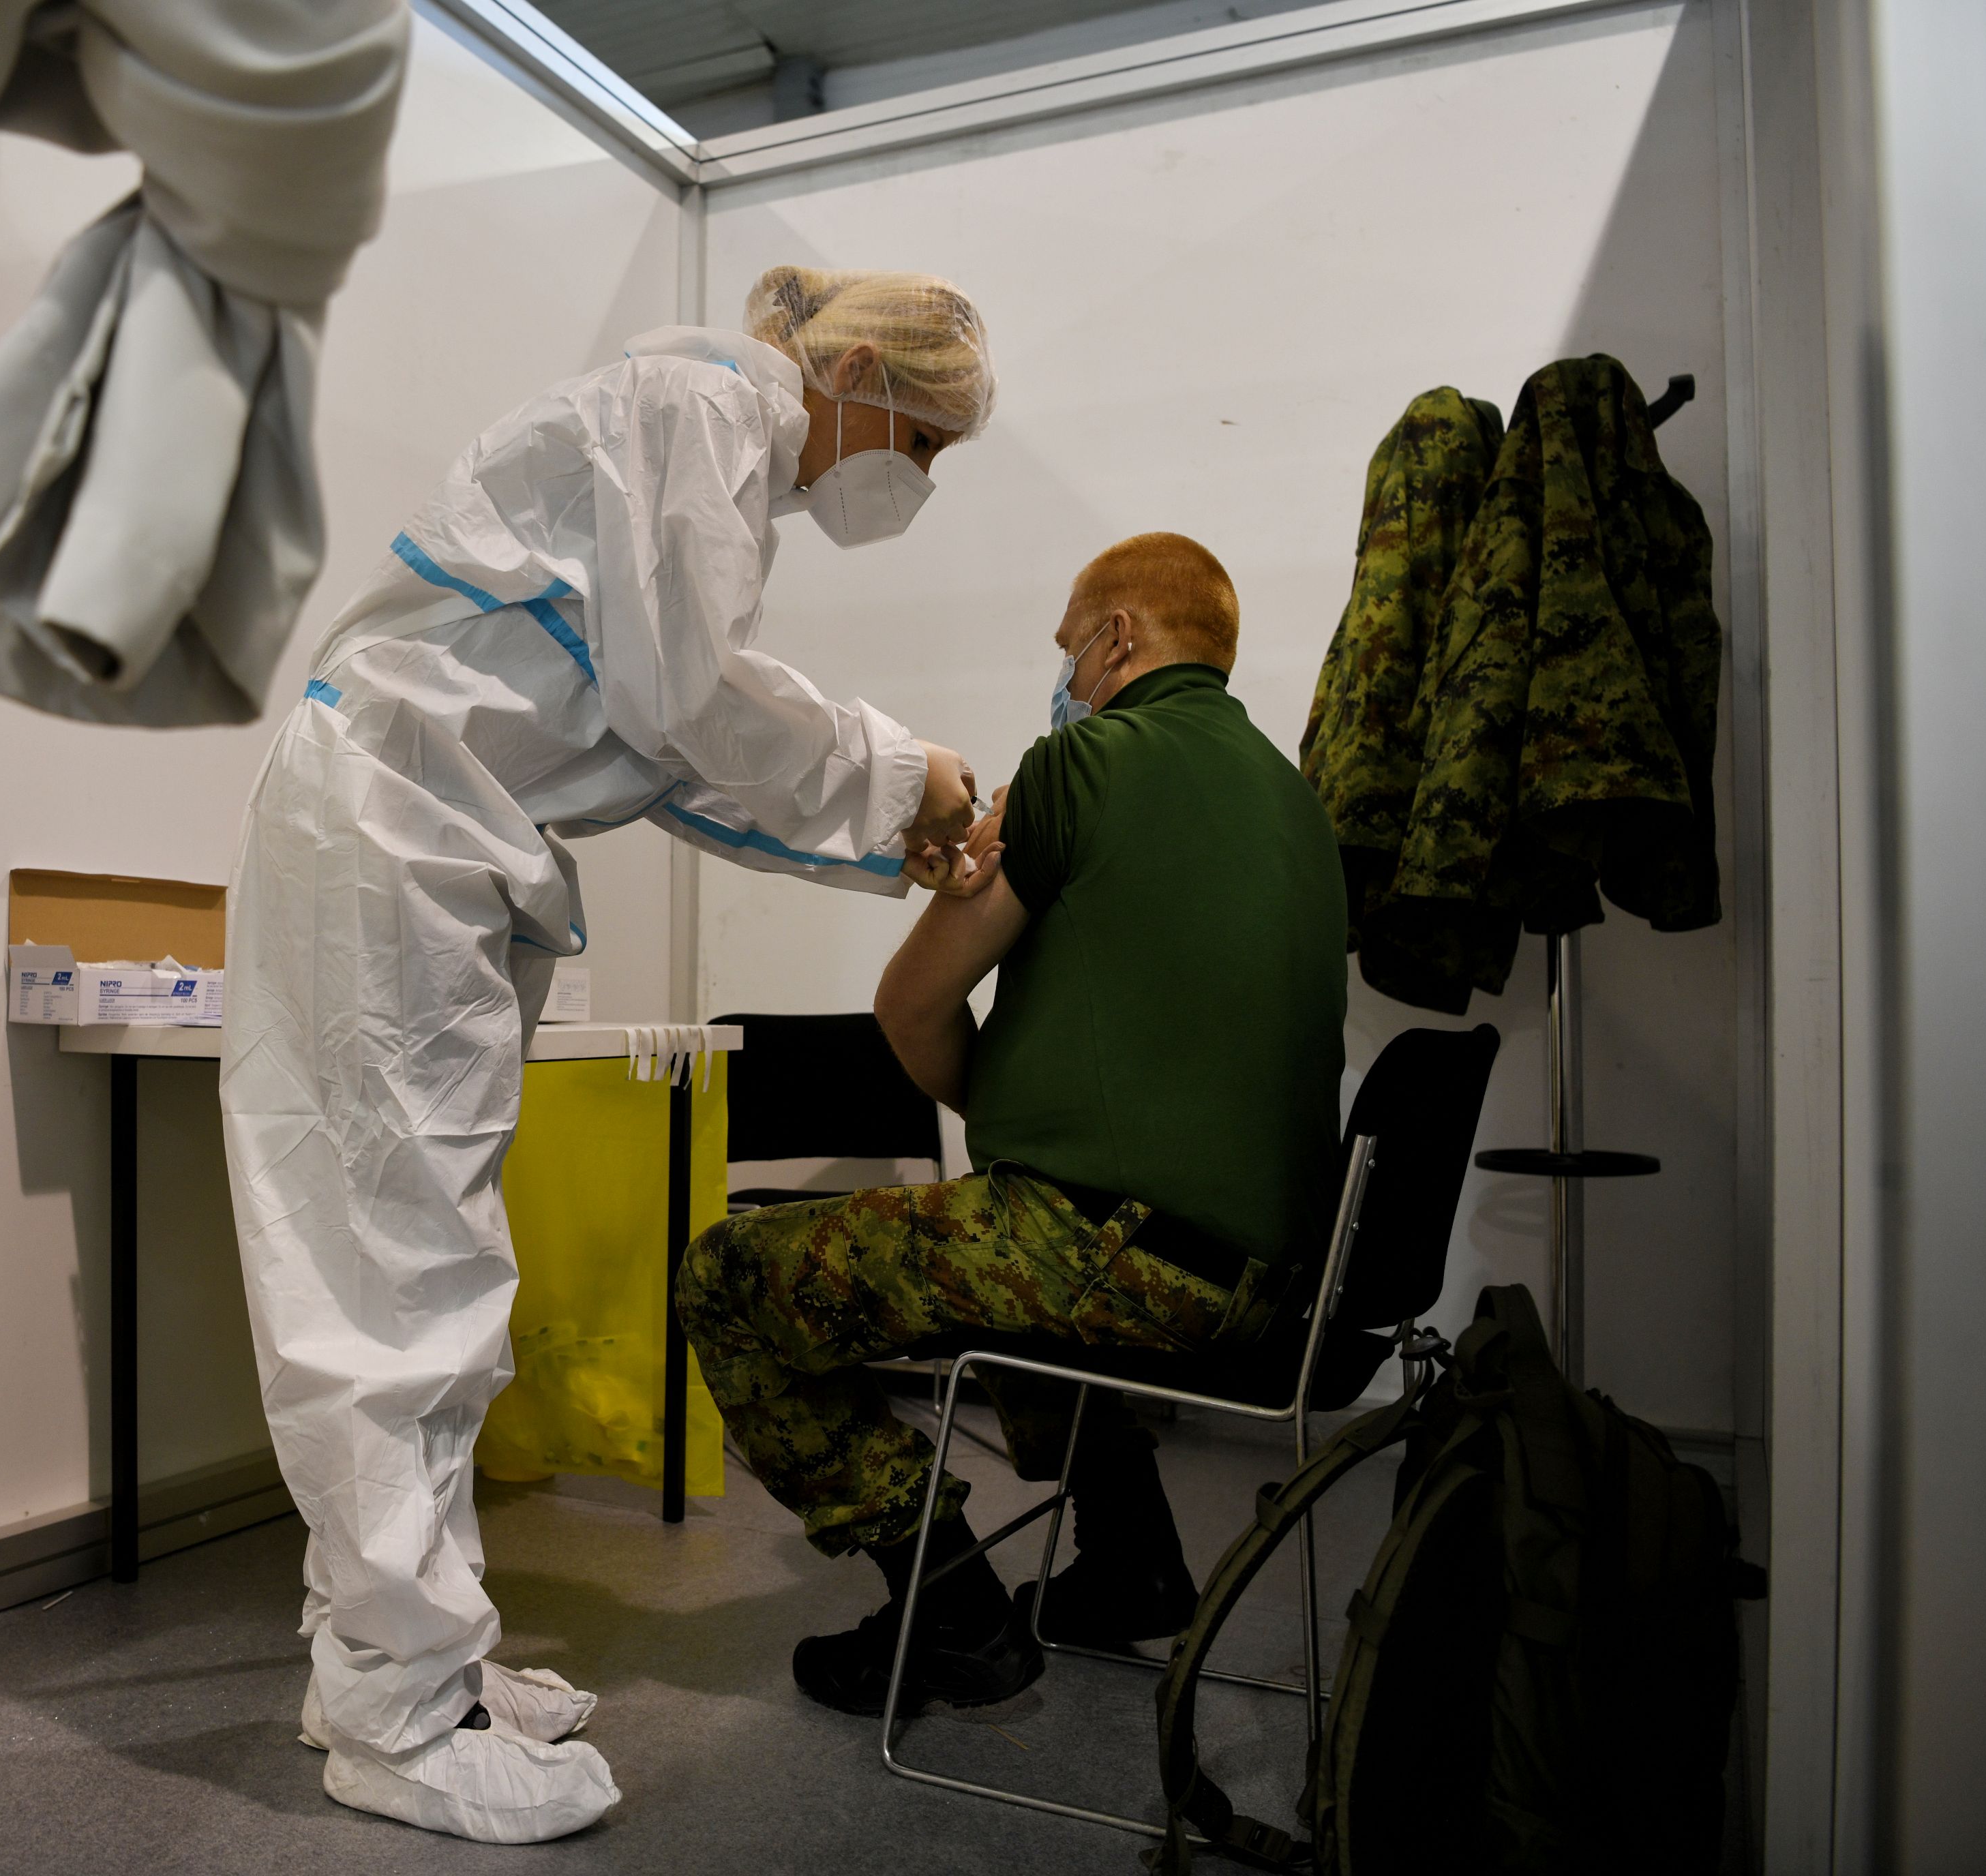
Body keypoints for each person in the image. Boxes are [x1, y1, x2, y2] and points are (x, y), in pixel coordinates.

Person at [220, 268, 999, 1843]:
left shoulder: (691, 445)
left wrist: (881, 834)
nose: (915, 479)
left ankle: (399, 1659)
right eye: (921, 440)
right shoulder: (705, 403)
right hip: (394, 831)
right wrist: (907, 772)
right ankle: (397, 1708)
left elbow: (668, 757)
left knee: (431, 1271)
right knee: (396, 1283)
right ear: (849, 369)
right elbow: (696, 705)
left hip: (437, 843)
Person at [676, 532, 1349, 1716]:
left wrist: (1011, 1105)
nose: (1064, 678)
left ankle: (950, 1609)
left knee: (728, 1275)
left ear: (1118, 640)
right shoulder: (1296, 804)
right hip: (1278, 1286)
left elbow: (913, 1006)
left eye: (1067, 652)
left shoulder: (1081, 768)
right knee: (1027, 1215)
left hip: (1121, 1258)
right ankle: (1131, 1560)